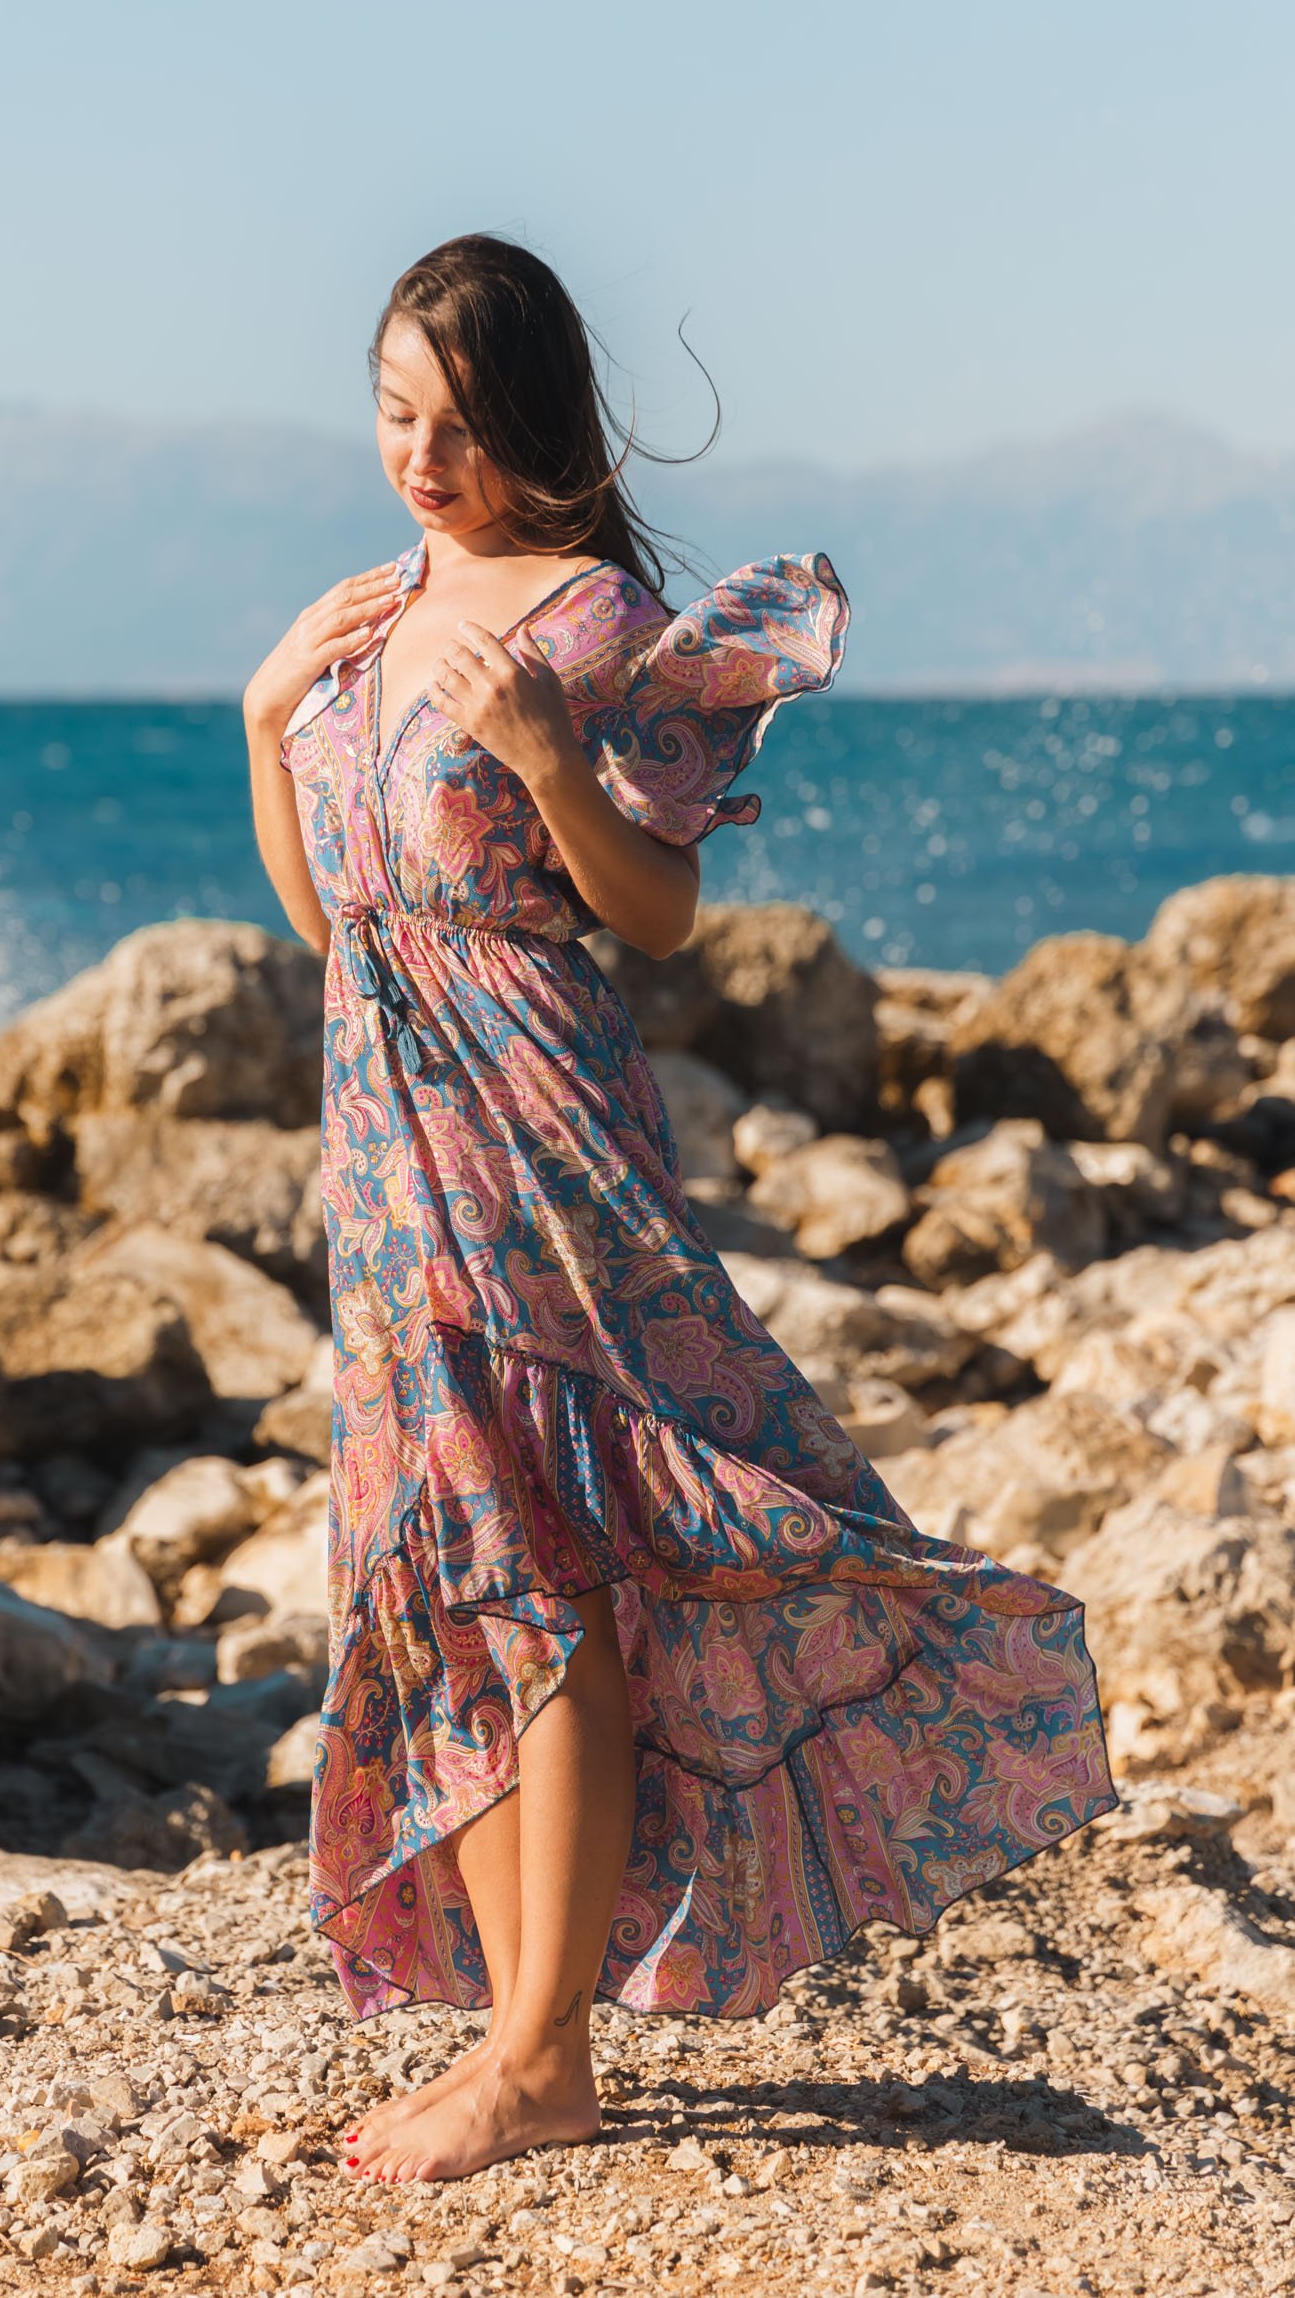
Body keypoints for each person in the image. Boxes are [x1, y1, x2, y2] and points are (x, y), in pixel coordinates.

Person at [241, 233, 1114, 2187]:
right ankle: (513, 2030)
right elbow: (332, 923)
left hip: (539, 1141)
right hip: (383, 1149)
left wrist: (553, 759)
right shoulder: (378, 609)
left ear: (539, 419)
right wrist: (263, 716)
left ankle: (543, 2054)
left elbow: (655, 917)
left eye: (462, 425)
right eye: (394, 415)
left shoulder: (597, 623)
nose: (422, 458)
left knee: (550, 1553)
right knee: (446, 1562)